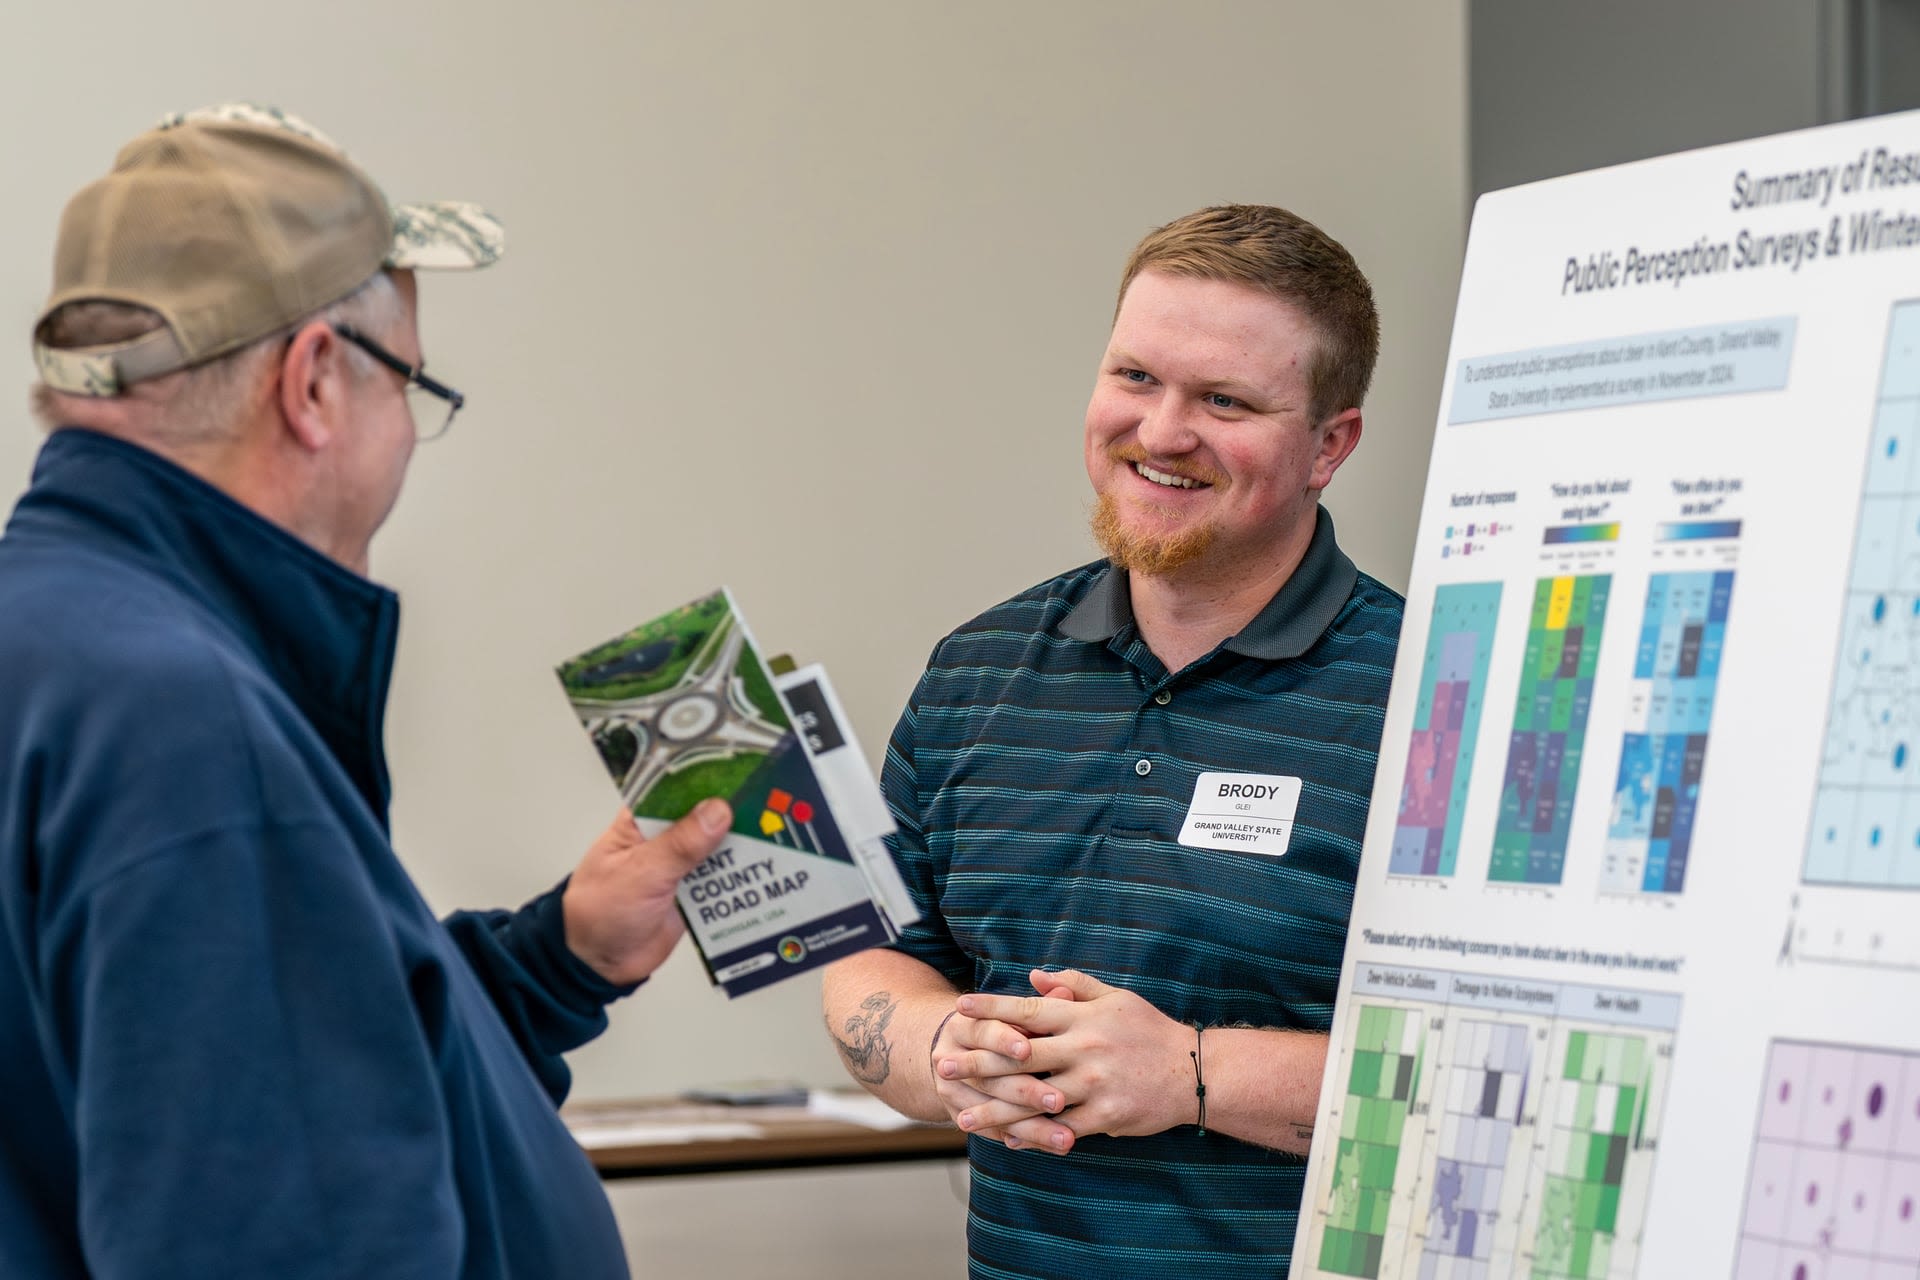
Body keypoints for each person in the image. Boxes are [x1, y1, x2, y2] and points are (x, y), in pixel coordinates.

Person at [0, 104, 731, 1278]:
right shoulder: (185, 730)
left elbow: (272, 1055)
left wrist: (558, 957)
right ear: (315, 383)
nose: (406, 434)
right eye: (412, 388)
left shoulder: (54, 646)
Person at [822, 204, 1404, 1276]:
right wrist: (942, 1047)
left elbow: (1499, 1076)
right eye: (1137, 377)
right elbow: (877, 955)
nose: (1163, 431)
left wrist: (1191, 1070)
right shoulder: (977, 672)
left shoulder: (1429, 699)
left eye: (1224, 399)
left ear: (1331, 443)